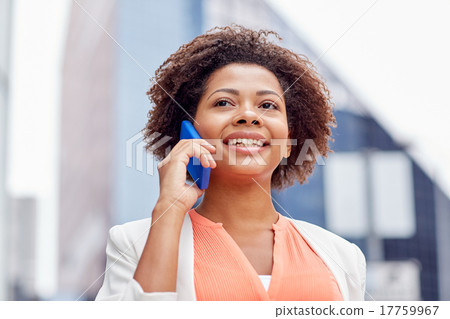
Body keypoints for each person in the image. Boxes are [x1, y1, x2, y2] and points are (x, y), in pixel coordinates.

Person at [95, 25, 366, 301]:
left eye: (268, 105)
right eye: (224, 102)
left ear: (288, 142)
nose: (248, 115)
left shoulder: (343, 257)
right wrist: (169, 210)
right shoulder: (134, 243)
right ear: (190, 132)